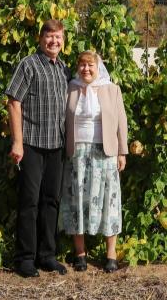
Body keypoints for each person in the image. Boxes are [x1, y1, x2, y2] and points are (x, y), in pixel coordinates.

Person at [5, 19, 70, 278]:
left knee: (51, 201)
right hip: (31, 144)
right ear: (40, 38)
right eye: (49, 36)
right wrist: (17, 142)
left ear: (63, 42)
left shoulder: (64, 69)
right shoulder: (28, 65)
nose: (54, 41)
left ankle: (47, 255)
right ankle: (25, 259)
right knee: (29, 202)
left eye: (58, 37)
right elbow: (13, 102)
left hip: (56, 145)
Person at [60, 51, 128, 273]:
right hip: (76, 154)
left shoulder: (111, 89)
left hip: (105, 154)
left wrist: (122, 152)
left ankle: (111, 254)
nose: (85, 69)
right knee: (77, 201)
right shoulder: (70, 88)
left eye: (90, 65)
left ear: (99, 67)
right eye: (82, 65)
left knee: (109, 201)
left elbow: (121, 122)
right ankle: (80, 253)